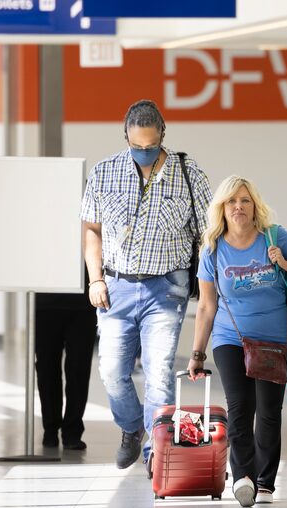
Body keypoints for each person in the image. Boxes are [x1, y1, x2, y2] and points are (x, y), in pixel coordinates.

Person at [80, 99, 212, 469]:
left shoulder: (190, 176)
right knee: (111, 372)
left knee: (158, 372)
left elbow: (207, 234)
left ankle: (158, 453)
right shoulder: (104, 173)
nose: (144, 152)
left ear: (163, 135)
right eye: (136, 146)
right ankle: (132, 426)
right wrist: (95, 279)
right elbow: (91, 228)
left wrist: (207, 284)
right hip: (116, 287)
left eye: (150, 146)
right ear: (126, 136)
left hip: (165, 289)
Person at [187, 175, 287, 507]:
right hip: (230, 337)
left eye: (244, 200)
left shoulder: (275, 237)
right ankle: (242, 476)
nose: (238, 207)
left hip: (276, 340)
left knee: (268, 410)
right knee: (239, 404)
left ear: (254, 205)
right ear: (222, 207)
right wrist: (197, 352)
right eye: (231, 201)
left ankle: (265, 481)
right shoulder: (213, 249)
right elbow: (206, 306)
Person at [34, 270, 97, 450]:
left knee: (79, 369)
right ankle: (50, 428)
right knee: (46, 369)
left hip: (83, 304)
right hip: (44, 303)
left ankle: (72, 431)